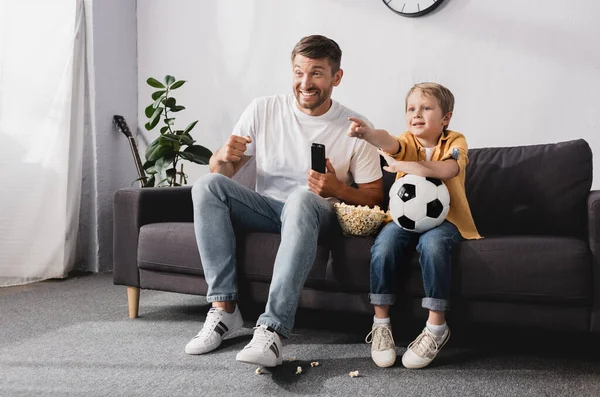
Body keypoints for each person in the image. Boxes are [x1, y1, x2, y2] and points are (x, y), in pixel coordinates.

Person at [185, 35, 384, 367]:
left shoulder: (354, 128)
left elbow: (376, 197)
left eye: (317, 73)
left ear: (337, 77)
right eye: (298, 72)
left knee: (301, 199)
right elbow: (223, 170)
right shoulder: (264, 108)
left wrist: (337, 187)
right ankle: (224, 311)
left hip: (319, 211)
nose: (305, 83)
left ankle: (271, 329)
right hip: (268, 209)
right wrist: (221, 156)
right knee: (207, 186)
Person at [347, 82, 481, 369]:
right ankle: (381, 323)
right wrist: (368, 134)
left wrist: (404, 167)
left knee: (433, 246)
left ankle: (436, 327)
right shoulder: (407, 141)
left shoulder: (456, 141)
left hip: (446, 220)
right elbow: (389, 142)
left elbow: (447, 170)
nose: (416, 114)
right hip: (403, 219)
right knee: (383, 246)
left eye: (426, 108)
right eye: (411, 109)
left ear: (445, 118)